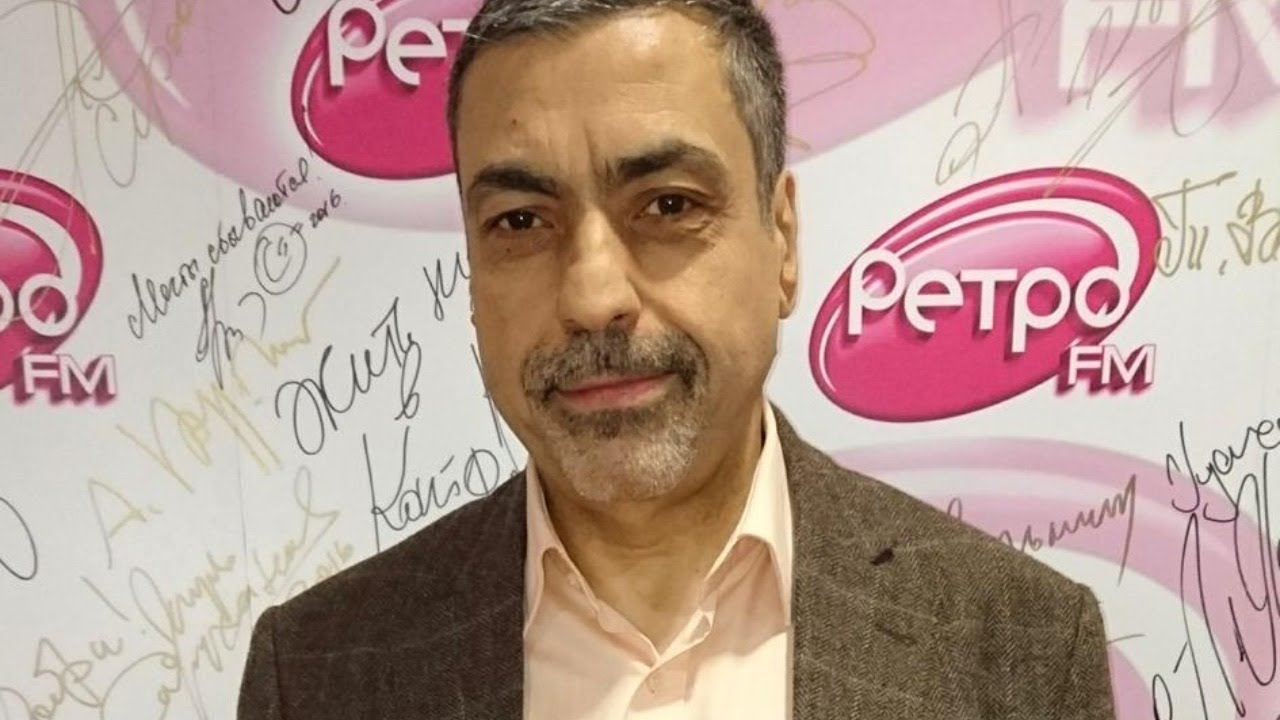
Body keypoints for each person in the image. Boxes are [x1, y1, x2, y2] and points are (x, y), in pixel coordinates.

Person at [237, 0, 1117, 717]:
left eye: (667, 205)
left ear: (782, 239)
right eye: (520, 221)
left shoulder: (1019, 647)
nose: (592, 296)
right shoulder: (316, 672)